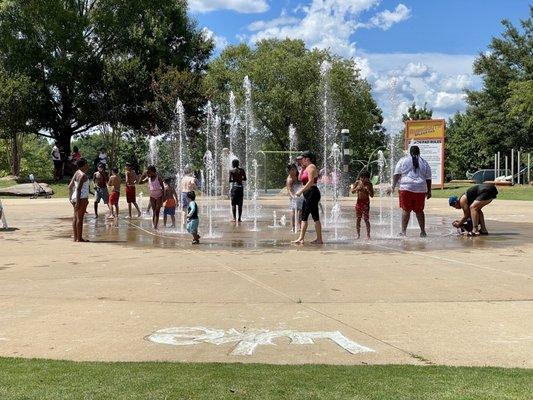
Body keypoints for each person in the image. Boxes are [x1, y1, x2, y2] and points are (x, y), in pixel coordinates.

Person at [390, 145, 432, 237]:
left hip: (406, 188)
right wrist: (429, 191)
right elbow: (428, 178)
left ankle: (403, 232)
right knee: (419, 211)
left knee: (406, 210)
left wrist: (393, 186)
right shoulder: (424, 163)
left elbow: (397, 174)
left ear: (410, 152)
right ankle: (423, 232)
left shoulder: (403, 160)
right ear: (419, 152)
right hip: (420, 189)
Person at [292, 151, 323, 245]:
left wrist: (300, 191)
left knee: (304, 216)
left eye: (302, 159)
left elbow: (310, 182)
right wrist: (302, 169)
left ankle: (301, 238)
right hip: (309, 194)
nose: (301, 160)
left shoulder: (312, 167)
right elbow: (300, 179)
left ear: (307, 159)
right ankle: (319, 239)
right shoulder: (306, 168)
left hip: (312, 193)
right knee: (315, 217)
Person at [68, 158, 90, 242]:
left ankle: (75, 238)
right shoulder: (83, 175)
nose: (88, 165)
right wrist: (77, 202)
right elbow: (79, 189)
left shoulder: (77, 172)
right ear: (84, 165)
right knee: (80, 218)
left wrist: (70, 198)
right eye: (87, 164)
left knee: (75, 218)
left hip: (75, 197)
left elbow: (70, 186)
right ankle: (79, 238)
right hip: (81, 197)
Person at [139, 165, 164, 230]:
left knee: (157, 211)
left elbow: (163, 187)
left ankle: (156, 226)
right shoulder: (148, 178)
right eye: (147, 173)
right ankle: (154, 225)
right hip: (152, 196)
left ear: (153, 172)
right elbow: (140, 182)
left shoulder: (158, 178)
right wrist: (143, 175)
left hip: (159, 196)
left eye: (149, 172)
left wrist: (163, 198)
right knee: (154, 210)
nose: (148, 174)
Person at [351, 170, 374, 239]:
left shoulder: (369, 184)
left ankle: (368, 235)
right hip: (359, 202)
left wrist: (368, 191)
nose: (363, 179)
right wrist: (357, 189)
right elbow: (352, 192)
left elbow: (372, 195)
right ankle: (358, 234)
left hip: (366, 203)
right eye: (362, 178)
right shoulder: (357, 182)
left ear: (368, 178)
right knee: (358, 218)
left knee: (366, 219)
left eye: (365, 178)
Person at [286, 163, 303, 232]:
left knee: (301, 212)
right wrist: (293, 197)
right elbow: (289, 190)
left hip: (301, 195)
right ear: (289, 171)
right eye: (292, 170)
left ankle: (301, 227)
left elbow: (303, 183)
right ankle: (293, 227)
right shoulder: (289, 179)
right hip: (293, 196)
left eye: (295, 169)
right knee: (293, 211)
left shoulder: (299, 175)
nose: (294, 171)